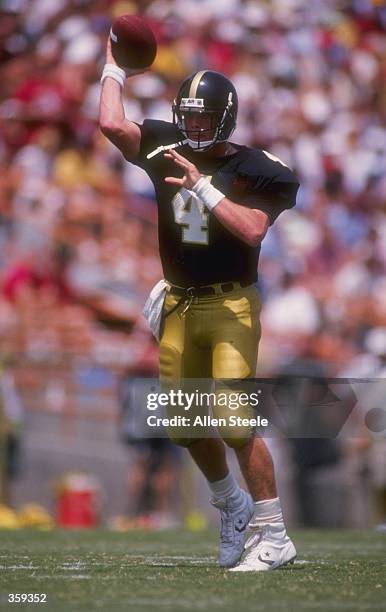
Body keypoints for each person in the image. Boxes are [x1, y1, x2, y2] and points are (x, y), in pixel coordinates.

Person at [99, 38, 299, 571]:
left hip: (231, 304)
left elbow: (254, 230)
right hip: (179, 307)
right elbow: (113, 126)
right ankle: (231, 507)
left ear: (227, 118)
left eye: (207, 118)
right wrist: (114, 68)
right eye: (189, 116)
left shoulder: (259, 168)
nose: (196, 127)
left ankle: (274, 532)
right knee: (184, 422)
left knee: (235, 418)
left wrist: (204, 188)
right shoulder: (166, 143)